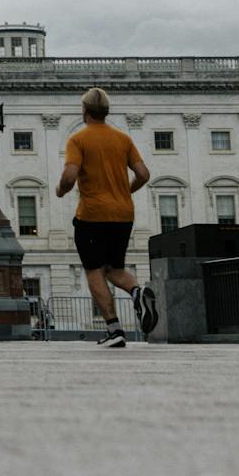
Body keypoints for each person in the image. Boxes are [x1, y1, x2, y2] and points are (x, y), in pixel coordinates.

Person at [57, 86, 159, 348]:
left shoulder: (78, 140)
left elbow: (69, 176)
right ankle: (137, 292)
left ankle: (115, 330)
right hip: (123, 214)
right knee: (114, 269)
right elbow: (144, 174)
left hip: (92, 215)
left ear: (85, 111)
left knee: (93, 270)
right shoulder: (123, 139)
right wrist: (125, 190)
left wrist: (61, 190)